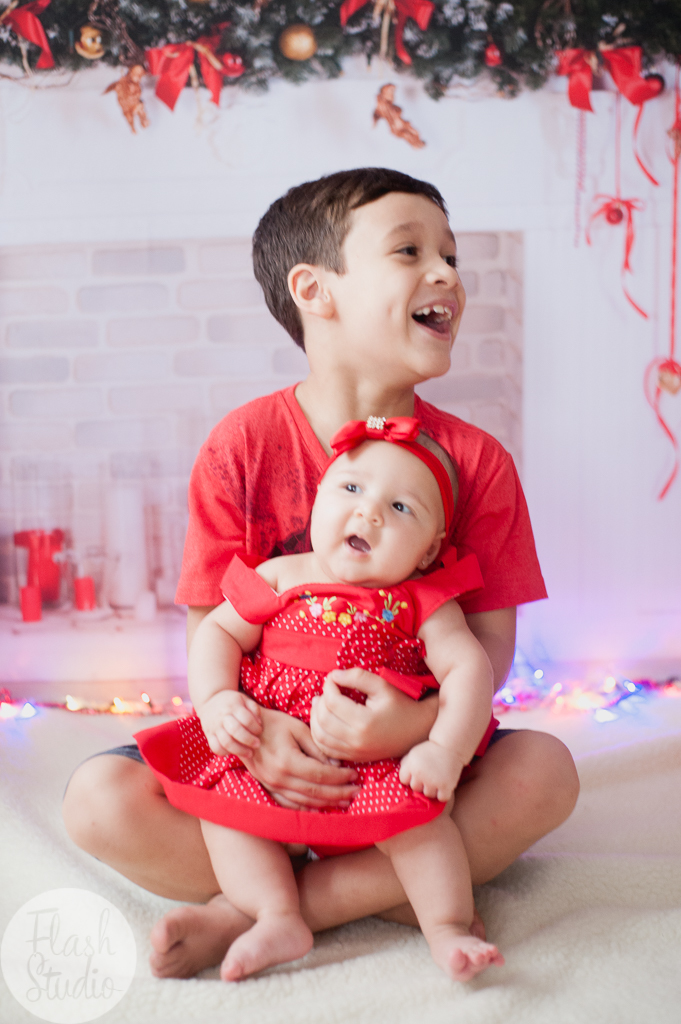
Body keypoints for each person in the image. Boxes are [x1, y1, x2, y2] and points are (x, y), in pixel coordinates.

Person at [62, 167, 579, 981]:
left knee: (544, 775)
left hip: (408, 759)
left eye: (450, 256)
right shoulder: (241, 445)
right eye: (409, 251)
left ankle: (264, 909)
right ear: (314, 290)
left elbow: (486, 646)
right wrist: (252, 732)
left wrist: (416, 730)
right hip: (263, 750)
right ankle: (393, 888)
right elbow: (212, 631)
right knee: (96, 803)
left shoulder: (474, 463)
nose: (446, 274)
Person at [135, 417, 505, 982]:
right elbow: (218, 632)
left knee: (424, 827)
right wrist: (216, 702)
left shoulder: (422, 601)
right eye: (351, 488)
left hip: (374, 770)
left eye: (400, 507)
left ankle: (448, 928)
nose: (369, 513)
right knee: (223, 813)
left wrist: (444, 751)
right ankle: (277, 917)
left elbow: (470, 668)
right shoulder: (280, 576)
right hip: (265, 755)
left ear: (430, 549)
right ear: (317, 503)